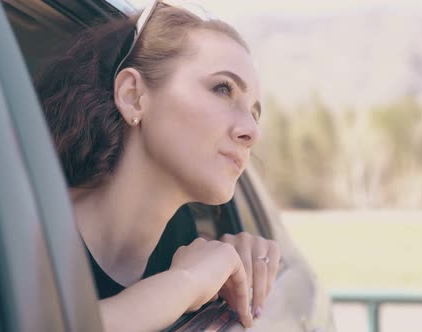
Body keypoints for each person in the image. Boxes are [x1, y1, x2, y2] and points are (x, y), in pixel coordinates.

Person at [34, 1, 280, 330]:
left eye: (254, 112)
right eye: (223, 89)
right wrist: (186, 282)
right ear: (133, 96)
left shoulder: (184, 240)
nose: (252, 131)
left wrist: (236, 257)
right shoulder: (23, 232)